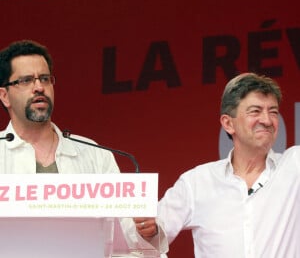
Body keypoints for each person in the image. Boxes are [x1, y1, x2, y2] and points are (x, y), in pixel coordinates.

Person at [0, 39, 167, 255]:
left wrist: (147, 232)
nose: (39, 87)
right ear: (4, 96)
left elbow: (128, 233)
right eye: (26, 80)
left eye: (44, 78)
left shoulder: (94, 154)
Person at [155, 72, 300, 257]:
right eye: (255, 111)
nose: (267, 120)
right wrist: (148, 234)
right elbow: (144, 241)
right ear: (228, 123)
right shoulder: (197, 182)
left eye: (273, 112)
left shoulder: (294, 165)